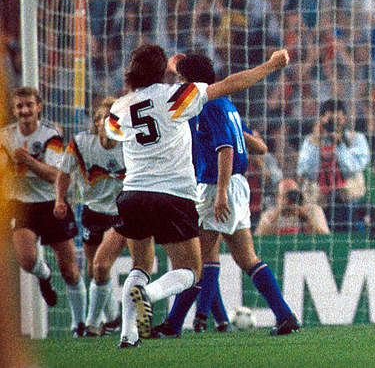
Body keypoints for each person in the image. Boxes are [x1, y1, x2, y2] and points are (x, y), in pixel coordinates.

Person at [104, 43, 288, 347]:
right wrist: (271, 65)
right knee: (192, 268)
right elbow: (231, 84)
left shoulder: (120, 108)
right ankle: (152, 296)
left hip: (133, 194)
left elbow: (110, 136)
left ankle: (129, 335)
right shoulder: (177, 97)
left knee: (141, 265)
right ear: (162, 71)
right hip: (173, 195)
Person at [153, 53, 301, 338]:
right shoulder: (226, 104)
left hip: (216, 186)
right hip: (238, 186)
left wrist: (220, 193)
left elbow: (225, 149)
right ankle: (285, 315)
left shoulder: (207, 105)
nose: (179, 84)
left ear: (190, 82)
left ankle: (176, 323)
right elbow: (256, 147)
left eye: (182, 80)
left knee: (197, 260)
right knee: (247, 258)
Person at [2, 87, 85, 335]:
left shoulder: (51, 135)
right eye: (19, 106)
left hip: (51, 202)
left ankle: (79, 324)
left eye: (29, 105)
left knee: (69, 270)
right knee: (27, 259)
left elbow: (55, 175)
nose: (24, 110)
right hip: (21, 204)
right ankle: (44, 275)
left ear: (38, 107)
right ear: (14, 110)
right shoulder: (5, 136)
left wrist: (28, 161)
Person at [54, 97, 126, 336]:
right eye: (103, 118)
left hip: (119, 214)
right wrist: (60, 199)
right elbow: (64, 173)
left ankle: (92, 325)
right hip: (92, 211)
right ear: (96, 123)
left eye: (113, 118)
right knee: (94, 271)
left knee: (101, 266)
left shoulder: (129, 145)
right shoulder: (81, 143)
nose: (108, 122)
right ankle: (113, 319)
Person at [297, 99, 370, 232]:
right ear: (321, 120)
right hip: (319, 205)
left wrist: (339, 144)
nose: (334, 124)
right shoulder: (310, 141)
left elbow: (352, 169)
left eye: (338, 120)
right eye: (330, 120)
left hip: (350, 203)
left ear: (345, 118)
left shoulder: (356, 139)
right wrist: (317, 142)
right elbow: (308, 172)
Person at [256, 178, 331, 236]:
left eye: (294, 193)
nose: (291, 198)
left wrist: (305, 217)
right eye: (286, 195)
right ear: (277, 197)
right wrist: (278, 213)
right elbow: (258, 238)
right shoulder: (269, 215)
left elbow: (325, 237)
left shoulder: (314, 210)